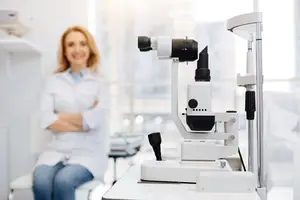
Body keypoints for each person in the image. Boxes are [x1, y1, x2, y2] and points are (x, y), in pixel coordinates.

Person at [32, 25, 109, 200]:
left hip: (87, 154)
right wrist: (82, 120)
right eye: (71, 44)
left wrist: (59, 116)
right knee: (41, 181)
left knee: (64, 181)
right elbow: (46, 119)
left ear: (90, 49)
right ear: (65, 51)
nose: (77, 49)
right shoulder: (53, 81)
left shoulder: (100, 83)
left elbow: (94, 121)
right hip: (56, 151)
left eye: (83, 44)